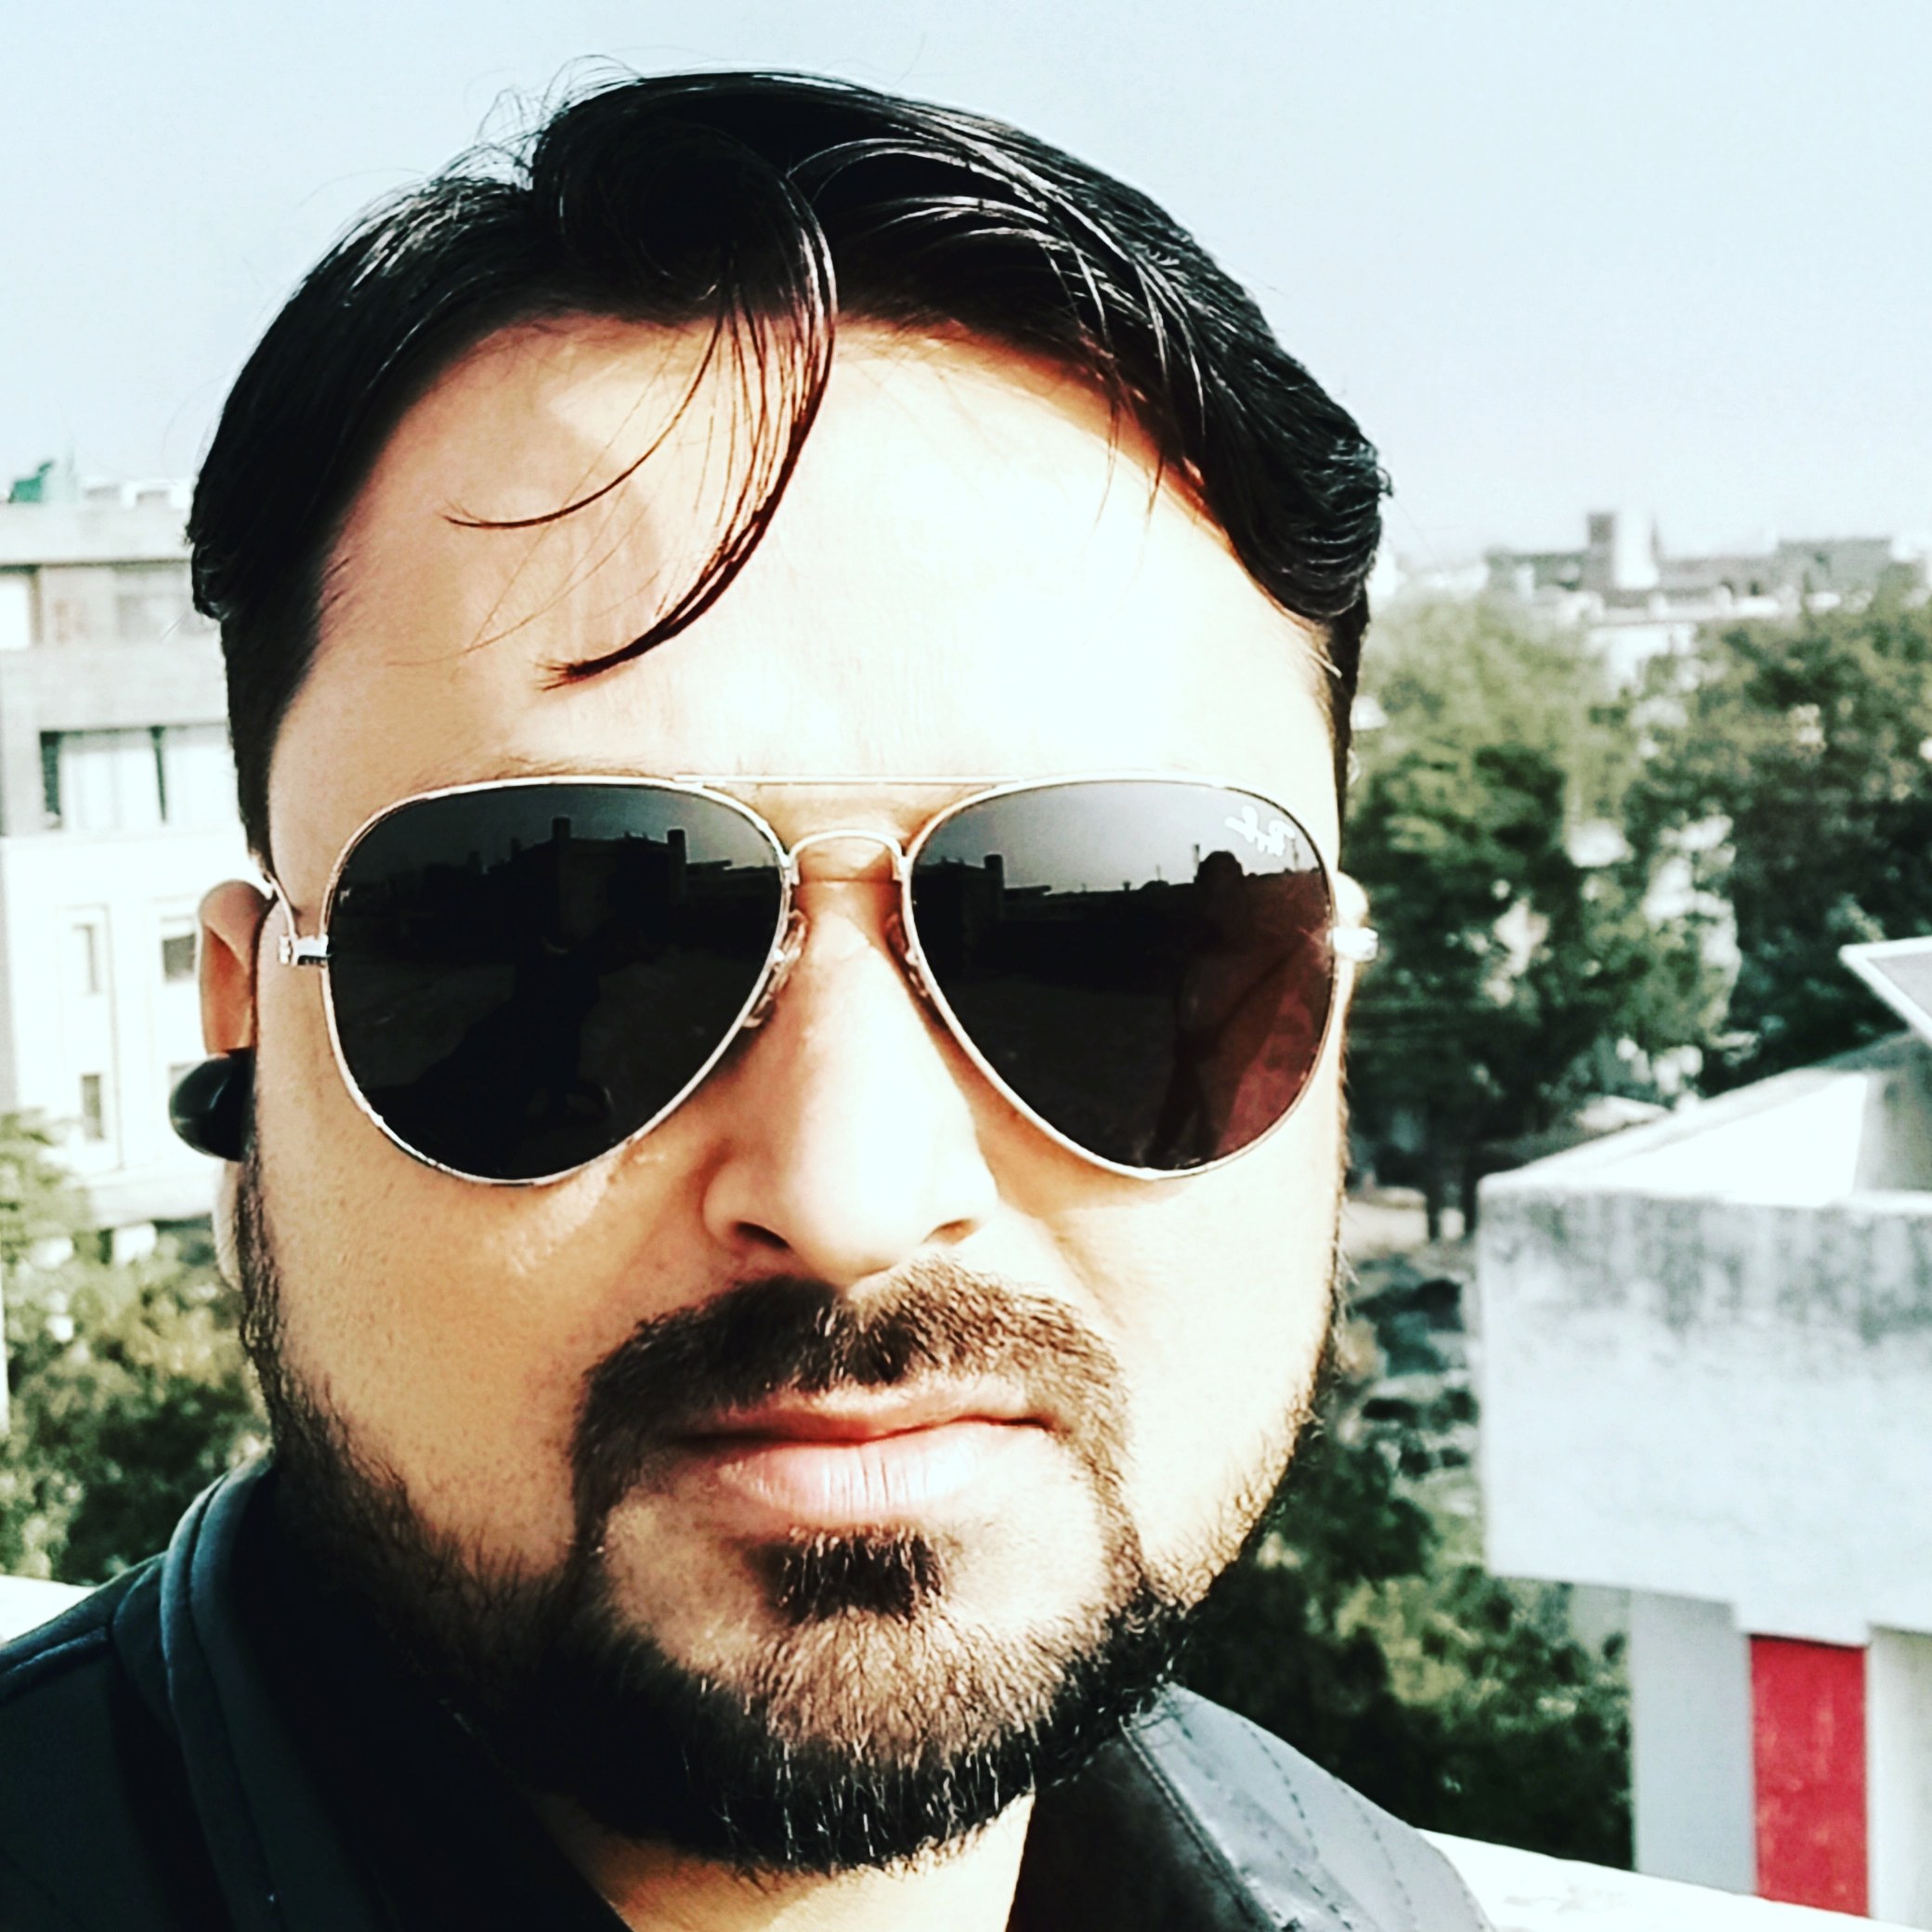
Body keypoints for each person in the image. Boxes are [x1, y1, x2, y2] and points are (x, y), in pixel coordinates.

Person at [0, 72, 1490, 1932]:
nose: (851, 1189)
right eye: (566, 952)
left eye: (1117, 938)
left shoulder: (1368, 1898)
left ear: (1325, 1011)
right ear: (246, 1032)